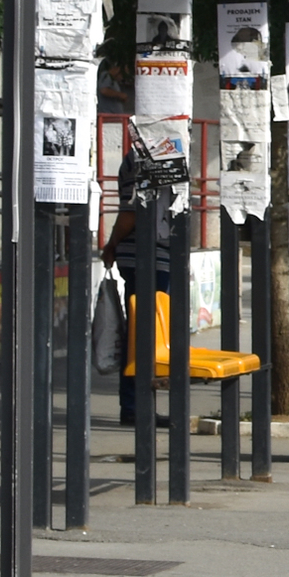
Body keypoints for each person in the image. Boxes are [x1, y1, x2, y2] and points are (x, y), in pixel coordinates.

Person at [102, 149, 173, 428]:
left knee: (145, 333)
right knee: (143, 334)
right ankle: (135, 405)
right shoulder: (143, 157)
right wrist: (111, 244)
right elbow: (131, 211)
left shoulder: (159, 154)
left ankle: (138, 404)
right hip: (146, 257)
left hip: (156, 256)